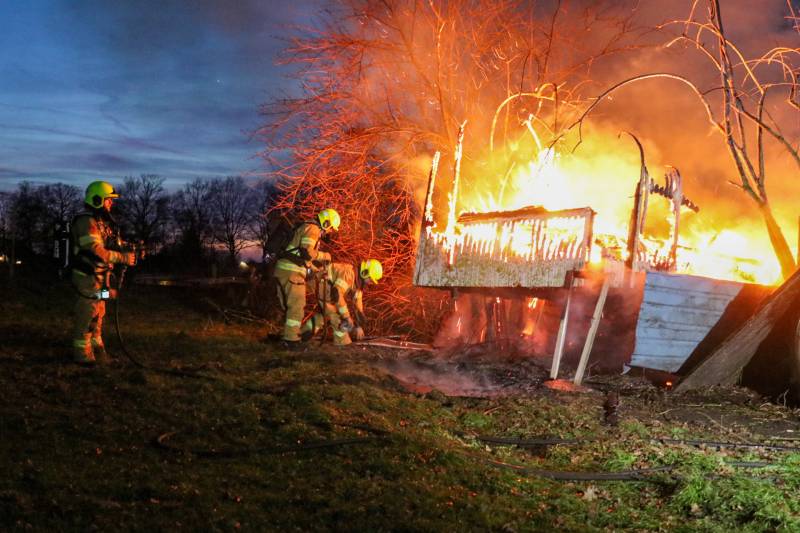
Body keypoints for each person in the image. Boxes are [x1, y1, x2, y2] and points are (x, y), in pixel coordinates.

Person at [70, 181, 136, 365]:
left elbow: (110, 247)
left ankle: (97, 349)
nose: (111, 204)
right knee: (88, 312)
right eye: (108, 200)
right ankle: (82, 355)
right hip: (87, 278)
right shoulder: (86, 221)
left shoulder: (102, 222)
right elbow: (94, 250)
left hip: (100, 279)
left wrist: (126, 250)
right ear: (97, 199)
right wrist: (122, 258)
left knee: (100, 310)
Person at [273, 208, 340, 350]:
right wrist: (325, 256)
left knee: (289, 307)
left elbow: (303, 259)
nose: (329, 232)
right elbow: (307, 252)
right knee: (297, 306)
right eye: (331, 228)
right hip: (292, 273)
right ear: (326, 222)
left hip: (285, 270)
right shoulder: (313, 229)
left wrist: (317, 271)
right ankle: (291, 342)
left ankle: (286, 336)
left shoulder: (307, 226)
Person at [301, 259, 383, 346]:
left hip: (327, 287)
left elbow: (358, 306)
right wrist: (347, 317)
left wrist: (359, 325)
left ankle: (304, 333)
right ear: (365, 273)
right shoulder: (349, 274)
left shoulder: (358, 283)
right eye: (371, 279)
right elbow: (337, 294)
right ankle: (343, 344)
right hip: (322, 283)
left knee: (326, 315)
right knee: (337, 316)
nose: (371, 283)